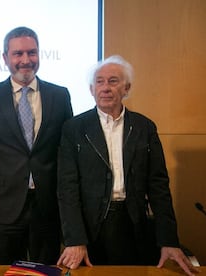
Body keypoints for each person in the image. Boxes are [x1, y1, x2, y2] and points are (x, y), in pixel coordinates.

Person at [57, 55, 199, 275]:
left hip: (133, 226)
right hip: (90, 229)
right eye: (100, 82)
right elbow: (67, 189)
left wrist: (168, 240)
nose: (105, 88)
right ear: (91, 89)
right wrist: (75, 239)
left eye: (113, 81)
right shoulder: (74, 129)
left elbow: (159, 187)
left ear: (127, 88)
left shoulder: (144, 127)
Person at [0, 26, 73, 265]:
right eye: (18, 54)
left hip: (47, 206)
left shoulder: (60, 96)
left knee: (45, 270)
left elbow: (68, 151)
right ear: (5, 58)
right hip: (2, 205)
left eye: (32, 52)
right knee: (1, 269)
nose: (25, 60)